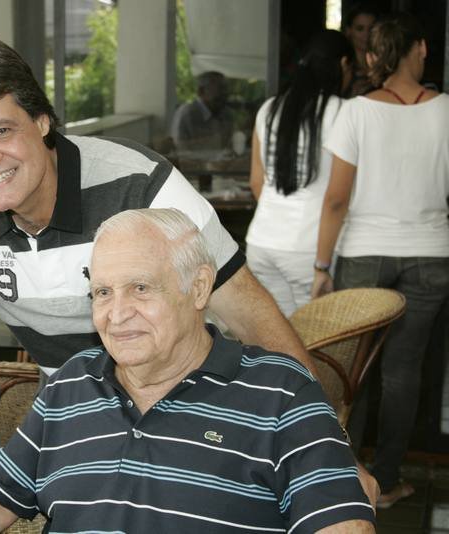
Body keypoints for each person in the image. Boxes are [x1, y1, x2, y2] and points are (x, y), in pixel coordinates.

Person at [0, 208, 375, 533]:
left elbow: (341, 526)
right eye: (103, 293)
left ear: (199, 289)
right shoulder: (71, 384)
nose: (116, 312)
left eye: (141, 288)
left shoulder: (279, 391)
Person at [0, 34, 313, 380]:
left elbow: (251, 318)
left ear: (41, 122)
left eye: (1, 131)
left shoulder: (142, 187)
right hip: (75, 417)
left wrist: (326, 443)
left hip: (189, 403)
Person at [313, 12, 449, 509]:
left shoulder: (357, 112)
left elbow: (335, 200)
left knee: (355, 371)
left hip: (364, 252)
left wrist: (321, 267)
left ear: (374, 56)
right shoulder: (446, 110)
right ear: (422, 50)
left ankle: (348, 479)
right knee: (403, 371)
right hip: (431, 252)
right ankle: (387, 481)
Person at [246, 30, 352, 316]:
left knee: (276, 342)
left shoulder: (269, 108)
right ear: (343, 65)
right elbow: (337, 200)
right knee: (318, 344)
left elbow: (257, 183)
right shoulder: (344, 112)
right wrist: (323, 264)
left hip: (262, 242)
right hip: (308, 249)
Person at [169, 71, 234, 151]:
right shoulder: (187, 114)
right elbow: (180, 150)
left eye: (225, 88)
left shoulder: (225, 113)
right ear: (201, 91)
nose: (224, 93)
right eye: (220, 88)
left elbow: (228, 146)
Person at [342, 3, 379, 96]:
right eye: (360, 29)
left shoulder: (386, 65)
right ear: (348, 31)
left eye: (371, 28)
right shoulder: (343, 67)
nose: (366, 34)